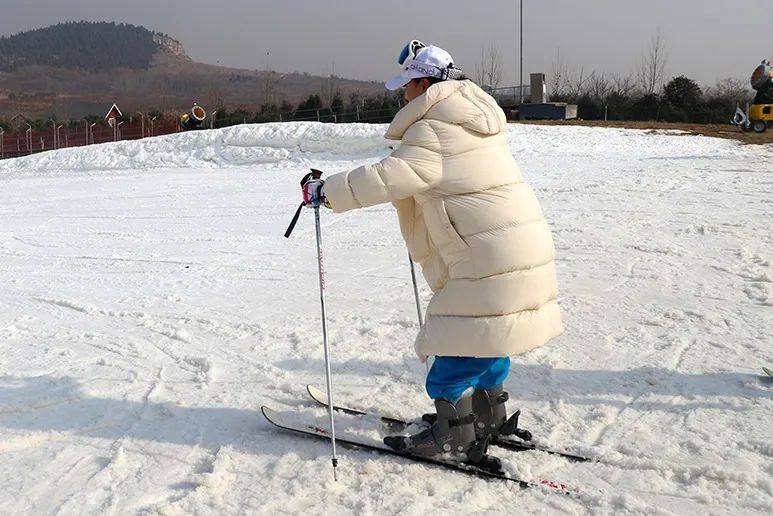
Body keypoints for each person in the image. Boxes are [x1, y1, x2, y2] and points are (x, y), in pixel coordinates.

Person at [303, 40, 563, 463]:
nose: (401, 95)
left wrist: (326, 192)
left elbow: (391, 176)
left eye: (405, 86)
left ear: (422, 83)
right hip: (518, 244)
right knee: (488, 332)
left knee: (458, 340)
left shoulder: (434, 127)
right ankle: (487, 415)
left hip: (488, 256)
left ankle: (453, 435)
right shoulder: (474, 121)